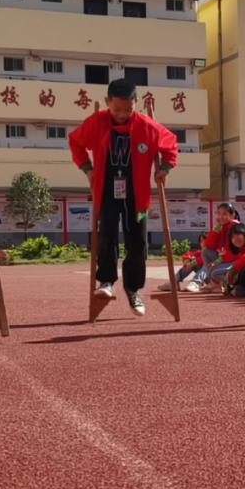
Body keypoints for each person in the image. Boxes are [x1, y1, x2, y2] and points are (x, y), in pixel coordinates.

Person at [69, 78, 178, 316]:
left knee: (137, 243)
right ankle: (106, 282)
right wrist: (87, 168)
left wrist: (165, 168)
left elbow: (171, 145)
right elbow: (76, 142)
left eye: (128, 109)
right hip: (106, 190)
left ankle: (133, 289)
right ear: (107, 102)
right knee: (106, 237)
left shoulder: (147, 126)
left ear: (136, 103)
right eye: (117, 109)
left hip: (136, 195)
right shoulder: (97, 122)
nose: (122, 114)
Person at [194, 202, 240, 292]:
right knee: (205, 252)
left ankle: (213, 282)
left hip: (234, 260)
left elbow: (231, 251)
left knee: (213, 270)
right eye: (219, 213)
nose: (220, 216)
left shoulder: (235, 227)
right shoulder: (222, 227)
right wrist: (215, 230)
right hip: (224, 259)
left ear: (232, 215)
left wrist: (216, 262)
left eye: (224, 214)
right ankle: (215, 284)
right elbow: (209, 246)